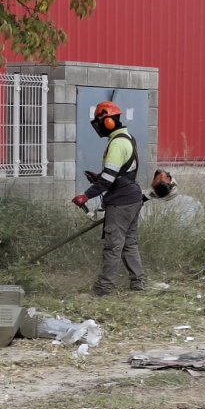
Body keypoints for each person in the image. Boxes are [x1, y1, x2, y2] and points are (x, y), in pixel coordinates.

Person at [71, 101, 146, 296]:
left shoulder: (117, 143)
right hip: (132, 197)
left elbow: (107, 180)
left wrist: (85, 196)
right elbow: (117, 173)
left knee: (113, 245)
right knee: (129, 243)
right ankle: (138, 283)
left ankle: (103, 289)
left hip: (121, 202)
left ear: (109, 122)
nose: (99, 126)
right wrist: (100, 177)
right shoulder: (127, 137)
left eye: (100, 122)